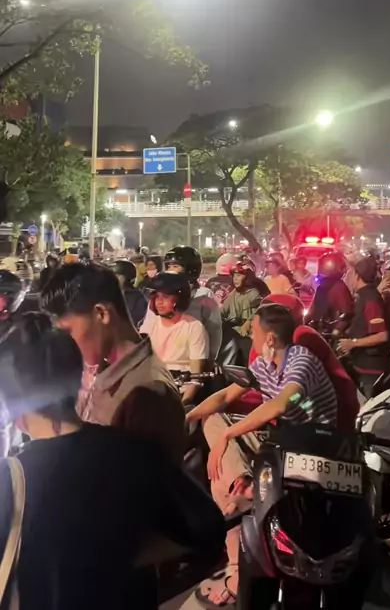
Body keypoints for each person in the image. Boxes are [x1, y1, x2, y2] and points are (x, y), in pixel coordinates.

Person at [0, 310, 226, 610]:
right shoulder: (132, 452)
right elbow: (208, 527)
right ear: (78, 379)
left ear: (13, 406)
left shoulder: (10, 481)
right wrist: (118, 557)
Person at [188, 302, 337, 606]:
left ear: (270, 338)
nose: (250, 338)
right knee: (213, 424)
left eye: (254, 332)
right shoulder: (263, 365)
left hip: (312, 445)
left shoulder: (301, 361)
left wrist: (229, 435)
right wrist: (186, 415)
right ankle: (240, 485)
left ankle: (236, 558)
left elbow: (280, 405)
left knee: (221, 464)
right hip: (280, 440)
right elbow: (225, 396)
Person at [40, 261, 187, 464]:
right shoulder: (102, 369)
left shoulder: (148, 394)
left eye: (68, 332)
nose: (66, 343)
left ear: (102, 314)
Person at [140, 272, 209, 403]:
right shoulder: (148, 327)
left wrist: (183, 404)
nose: (160, 302)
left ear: (180, 299)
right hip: (152, 389)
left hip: (180, 390)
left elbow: (196, 379)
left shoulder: (193, 327)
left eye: (165, 297)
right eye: (157, 297)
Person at [337, 255, 390, 397]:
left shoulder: (371, 300)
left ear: (357, 275)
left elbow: (382, 335)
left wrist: (353, 343)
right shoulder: (363, 295)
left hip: (372, 369)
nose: (347, 276)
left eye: (349, 272)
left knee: (371, 406)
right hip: (360, 363)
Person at [164, 245, 222, 363]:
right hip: (164, 361)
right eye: (168, 266)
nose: (170, 271)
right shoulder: (160, 295)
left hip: (193, 362)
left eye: (175, 266)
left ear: (191, 269)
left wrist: (210, 360)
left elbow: (214, 330)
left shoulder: (204, 295)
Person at [306, 252, 354, 332]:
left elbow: (346, 314)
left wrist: (336, 331)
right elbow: (313, 309)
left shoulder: (339, 288)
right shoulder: (322, 287)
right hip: (319, 331)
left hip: (329, 332)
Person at [221, 262, 262, 336]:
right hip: (234, 332)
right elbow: (222, 312)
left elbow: (258, 313)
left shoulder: (254, 294)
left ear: (247, 278)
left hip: (249, 335)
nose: (235, 279)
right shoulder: (233, 294)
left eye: (238, 275)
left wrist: (248, 322)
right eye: (234, 276)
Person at [113, 258, 148, 329]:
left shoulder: (137, 298)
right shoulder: (109, 294)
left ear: (128, 278)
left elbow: (140, 322)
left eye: (118, 276)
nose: (114, 280)